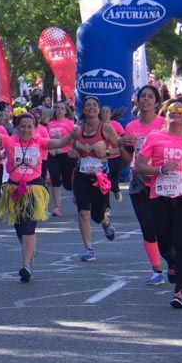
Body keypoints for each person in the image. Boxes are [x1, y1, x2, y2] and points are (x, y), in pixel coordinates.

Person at [0, 113, 76, 282]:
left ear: (35, 128)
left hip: (34, 190)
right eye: (22, 126)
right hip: (14, 190)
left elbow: (61, 143)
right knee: (20, 229)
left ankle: (26, 265)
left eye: (29, 127)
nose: (26, 130)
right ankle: (30, 250)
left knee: (28, 227)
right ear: (17, 128)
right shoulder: (9, 141)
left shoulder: (40, 142)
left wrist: (72, 135)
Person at [134, 97, 182, 309]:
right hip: (160, 196)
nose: (175, 112)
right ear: (166, 115)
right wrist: (161, 169)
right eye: (171, 110)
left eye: (180, 110)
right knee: (164, 243)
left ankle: (179, 292)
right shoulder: (155, 137)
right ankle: (171, 262)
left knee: (181, 242)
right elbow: (139, 166)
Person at [118, 85, 167, 285]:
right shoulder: (131, 127)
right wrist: (120, 145)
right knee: (147, 227)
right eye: (142, 96)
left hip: (163, 180)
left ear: (156, 102)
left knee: (164, 228)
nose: (146, 99)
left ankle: (173, 261)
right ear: (137, 101)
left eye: (150, 97)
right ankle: (157, 270)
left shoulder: (164, 124)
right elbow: (128, 158)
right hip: (139, 182)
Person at [71, 96, 119, 261]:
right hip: (81, 175)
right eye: (88, 105)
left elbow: (118, 149)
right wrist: (73, 153)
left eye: (94, 105)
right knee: (83, 212)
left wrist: (106, 152)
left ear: (98, 109)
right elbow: (73, 148)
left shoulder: (106, 128)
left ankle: (105, 222)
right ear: (83, 110)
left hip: (100, 177)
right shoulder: (78, 129)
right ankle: (88, 249)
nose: (91, 107)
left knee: (97, 215)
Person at [45, 102, 75, 217]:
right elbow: (46, 139)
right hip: (53, 155)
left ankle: (77, 194)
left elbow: (74, 139)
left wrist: (73, 149)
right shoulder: (50, 124)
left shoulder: (70, 123)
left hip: (67, 154)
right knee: (55, 179)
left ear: (66, 111)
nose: (59, 110)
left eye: (62, 108)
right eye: (57, 108)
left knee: (68, 181)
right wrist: (49, 149)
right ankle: (57, 207)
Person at [100, 105, 126, 202]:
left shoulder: (115, 124)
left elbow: (123, 137)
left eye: (107, 112)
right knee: (104, 181)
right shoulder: (98, 125)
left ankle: (116, 190)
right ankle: (106, 205)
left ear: (110, 114)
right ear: (100, 114)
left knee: (114, 179)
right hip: (103, 158)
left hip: (116, 157)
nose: (105, 114)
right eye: (103, 112)